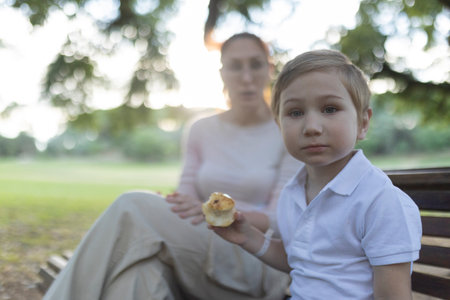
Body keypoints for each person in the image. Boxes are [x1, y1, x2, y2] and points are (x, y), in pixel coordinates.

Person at [43, 32, 302, 300]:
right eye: (236, 66)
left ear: (270, 69)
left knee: (132, 206)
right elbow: (185, 196)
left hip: (256, 259)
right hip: (196, 252)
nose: (246, 77)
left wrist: (211, 213)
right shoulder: (200, 130)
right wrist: (167, 209)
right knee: (138, 275)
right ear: (222, 73)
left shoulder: (288, 130)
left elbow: (280, 218)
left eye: (256, 64)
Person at [210, 49, 422, 299]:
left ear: (363, 123)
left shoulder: (380, 202)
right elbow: (300, 261)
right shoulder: (293, 193)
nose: (311, 127)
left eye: (330, 109)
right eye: (295, 113)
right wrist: (247, 237)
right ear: (279, 126)